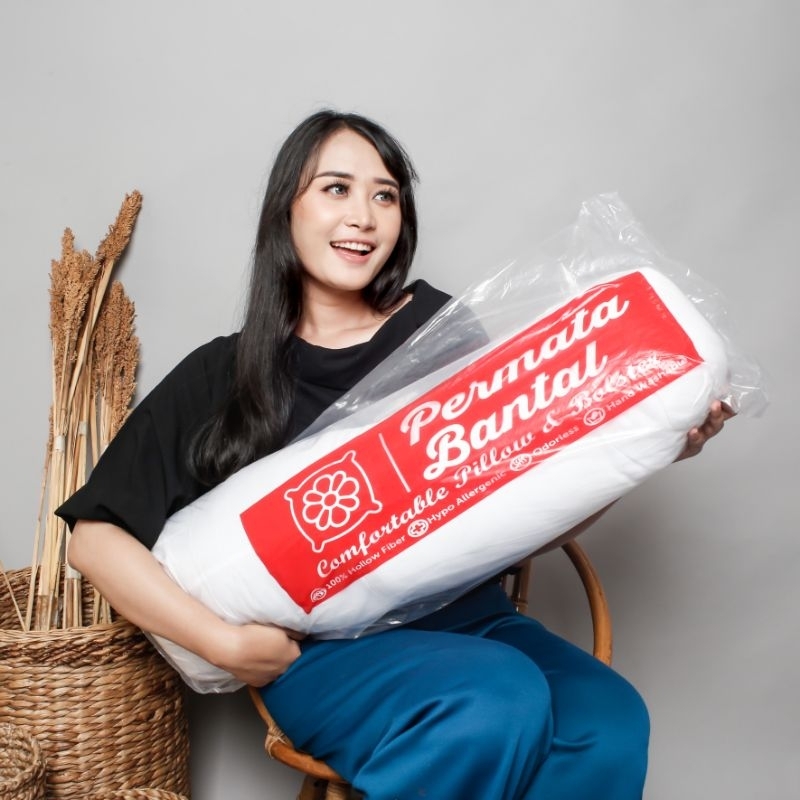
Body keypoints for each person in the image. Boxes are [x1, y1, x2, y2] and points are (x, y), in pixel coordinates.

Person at [58, 110, 732, 799]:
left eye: (385, 195)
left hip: (471, 617)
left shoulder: (436, 330)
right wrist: (220, 643)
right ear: (286, 208)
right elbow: (94, 540)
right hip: (324, 655)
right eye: (337, 189)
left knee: (608, 719)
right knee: (493, 702)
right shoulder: (227, 372)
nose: (364, 216)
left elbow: (525, 512)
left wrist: (642, 448)